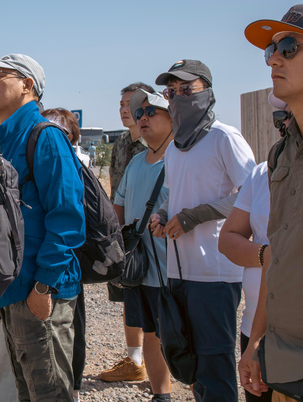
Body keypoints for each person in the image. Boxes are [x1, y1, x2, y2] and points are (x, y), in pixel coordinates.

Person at [0, 53, 85, 401]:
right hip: (14, 293)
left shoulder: (45, 137)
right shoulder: (1, 141)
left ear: (27, 85)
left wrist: (43, 287)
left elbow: (67, 218)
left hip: (39, 292)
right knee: (27, 393)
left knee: (50, 394)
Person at [238, 4, 303, 402]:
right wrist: (257, 340)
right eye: (271, 50)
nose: (274, 60)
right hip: (286, 365)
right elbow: (276, 255)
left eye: (290, 47)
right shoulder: (282, 153)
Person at [149, 59, 256, 402]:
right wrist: (162, 215)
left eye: (187, 89)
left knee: (214, 366)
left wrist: (196, 216)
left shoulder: (224, 137)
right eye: (171, 91)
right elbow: (175, 195)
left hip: (215, 271)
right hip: (179, 270)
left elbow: (252, 194)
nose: (178, 97)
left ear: (206, 91)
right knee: (192, 365)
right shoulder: (175, 147)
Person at [218, 94, 286, 402]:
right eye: (281, 118)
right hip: (254, 329)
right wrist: (266, 255)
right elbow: (228, 239)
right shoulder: (262, 173)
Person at [113, 90, 173, 402]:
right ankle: (161, 394)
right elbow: (118, 208)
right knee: (150, 333)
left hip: (176, 273)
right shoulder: (136, 162)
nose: (143, 117)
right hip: (141, 270)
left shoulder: (183, 159)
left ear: (173, 117)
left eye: (152, 111)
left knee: (183, 338)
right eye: (140, 113)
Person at [101, 82, 153, 383]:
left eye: (130, 103)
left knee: (154, 299)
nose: (124, 109)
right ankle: (135, 361)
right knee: (128, 295)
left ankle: (160, 363)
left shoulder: (158, 143)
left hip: (152, 233)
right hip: (123, 233)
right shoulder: (121, 142)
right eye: (122, 104)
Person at [41, 107, 88, 401]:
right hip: (51, 268)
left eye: (57, 130)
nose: (47, 134)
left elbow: (68, 220)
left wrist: (43, 281)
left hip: (66, 268)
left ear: (71, 136)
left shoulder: (70, 163)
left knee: (68, 331)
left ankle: (74, 388)